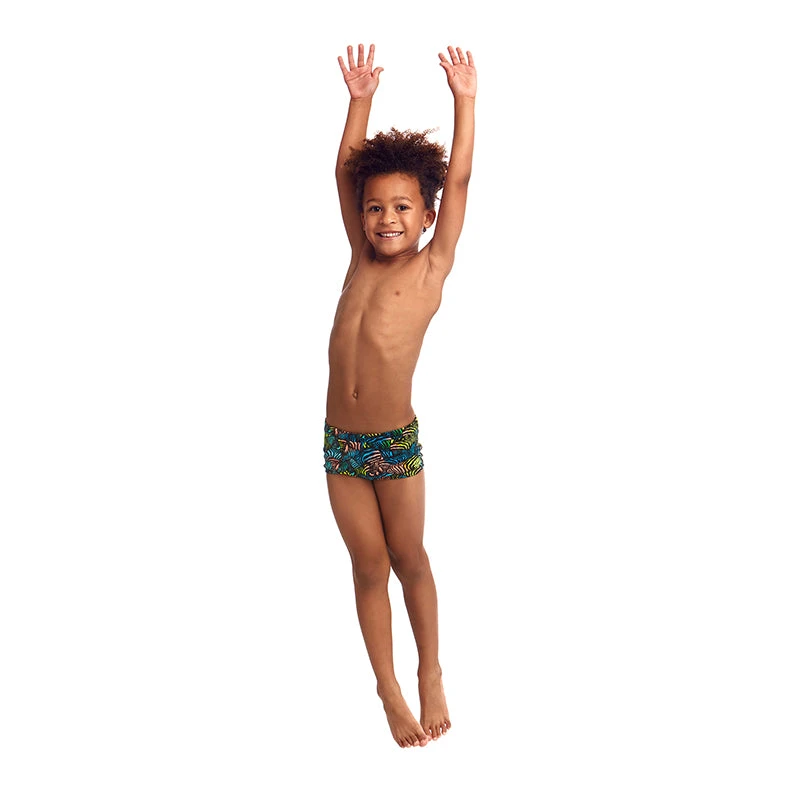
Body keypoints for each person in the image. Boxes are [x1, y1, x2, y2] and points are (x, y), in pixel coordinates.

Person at [324, 43, 476, 748]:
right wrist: (360, 101)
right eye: (375, 207)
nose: (387, 218)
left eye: (403, 208)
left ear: (427, 216)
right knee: (367, 567)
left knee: (410, 559)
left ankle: (430, 670)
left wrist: (464, 100)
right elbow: (343, 171)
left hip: (393, 444)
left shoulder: (430, 270)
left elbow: (462, 177)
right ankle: (386, 687)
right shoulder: (358, 258)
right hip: (340, 444)